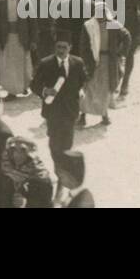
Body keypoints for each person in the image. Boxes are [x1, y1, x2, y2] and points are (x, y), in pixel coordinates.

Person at [31, 31, 88, 194]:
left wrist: (82, 91)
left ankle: (64, 182)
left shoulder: (77, 63)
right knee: (55, 146)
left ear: (70, 47)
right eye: (58, 47)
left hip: (70, 112)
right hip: (53, 112)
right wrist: (44, 90)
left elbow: (84, 79)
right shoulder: (45, 63)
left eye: (64, 47)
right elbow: (34, 84)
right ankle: (59, 171)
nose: (61, 50)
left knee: (67, 146)